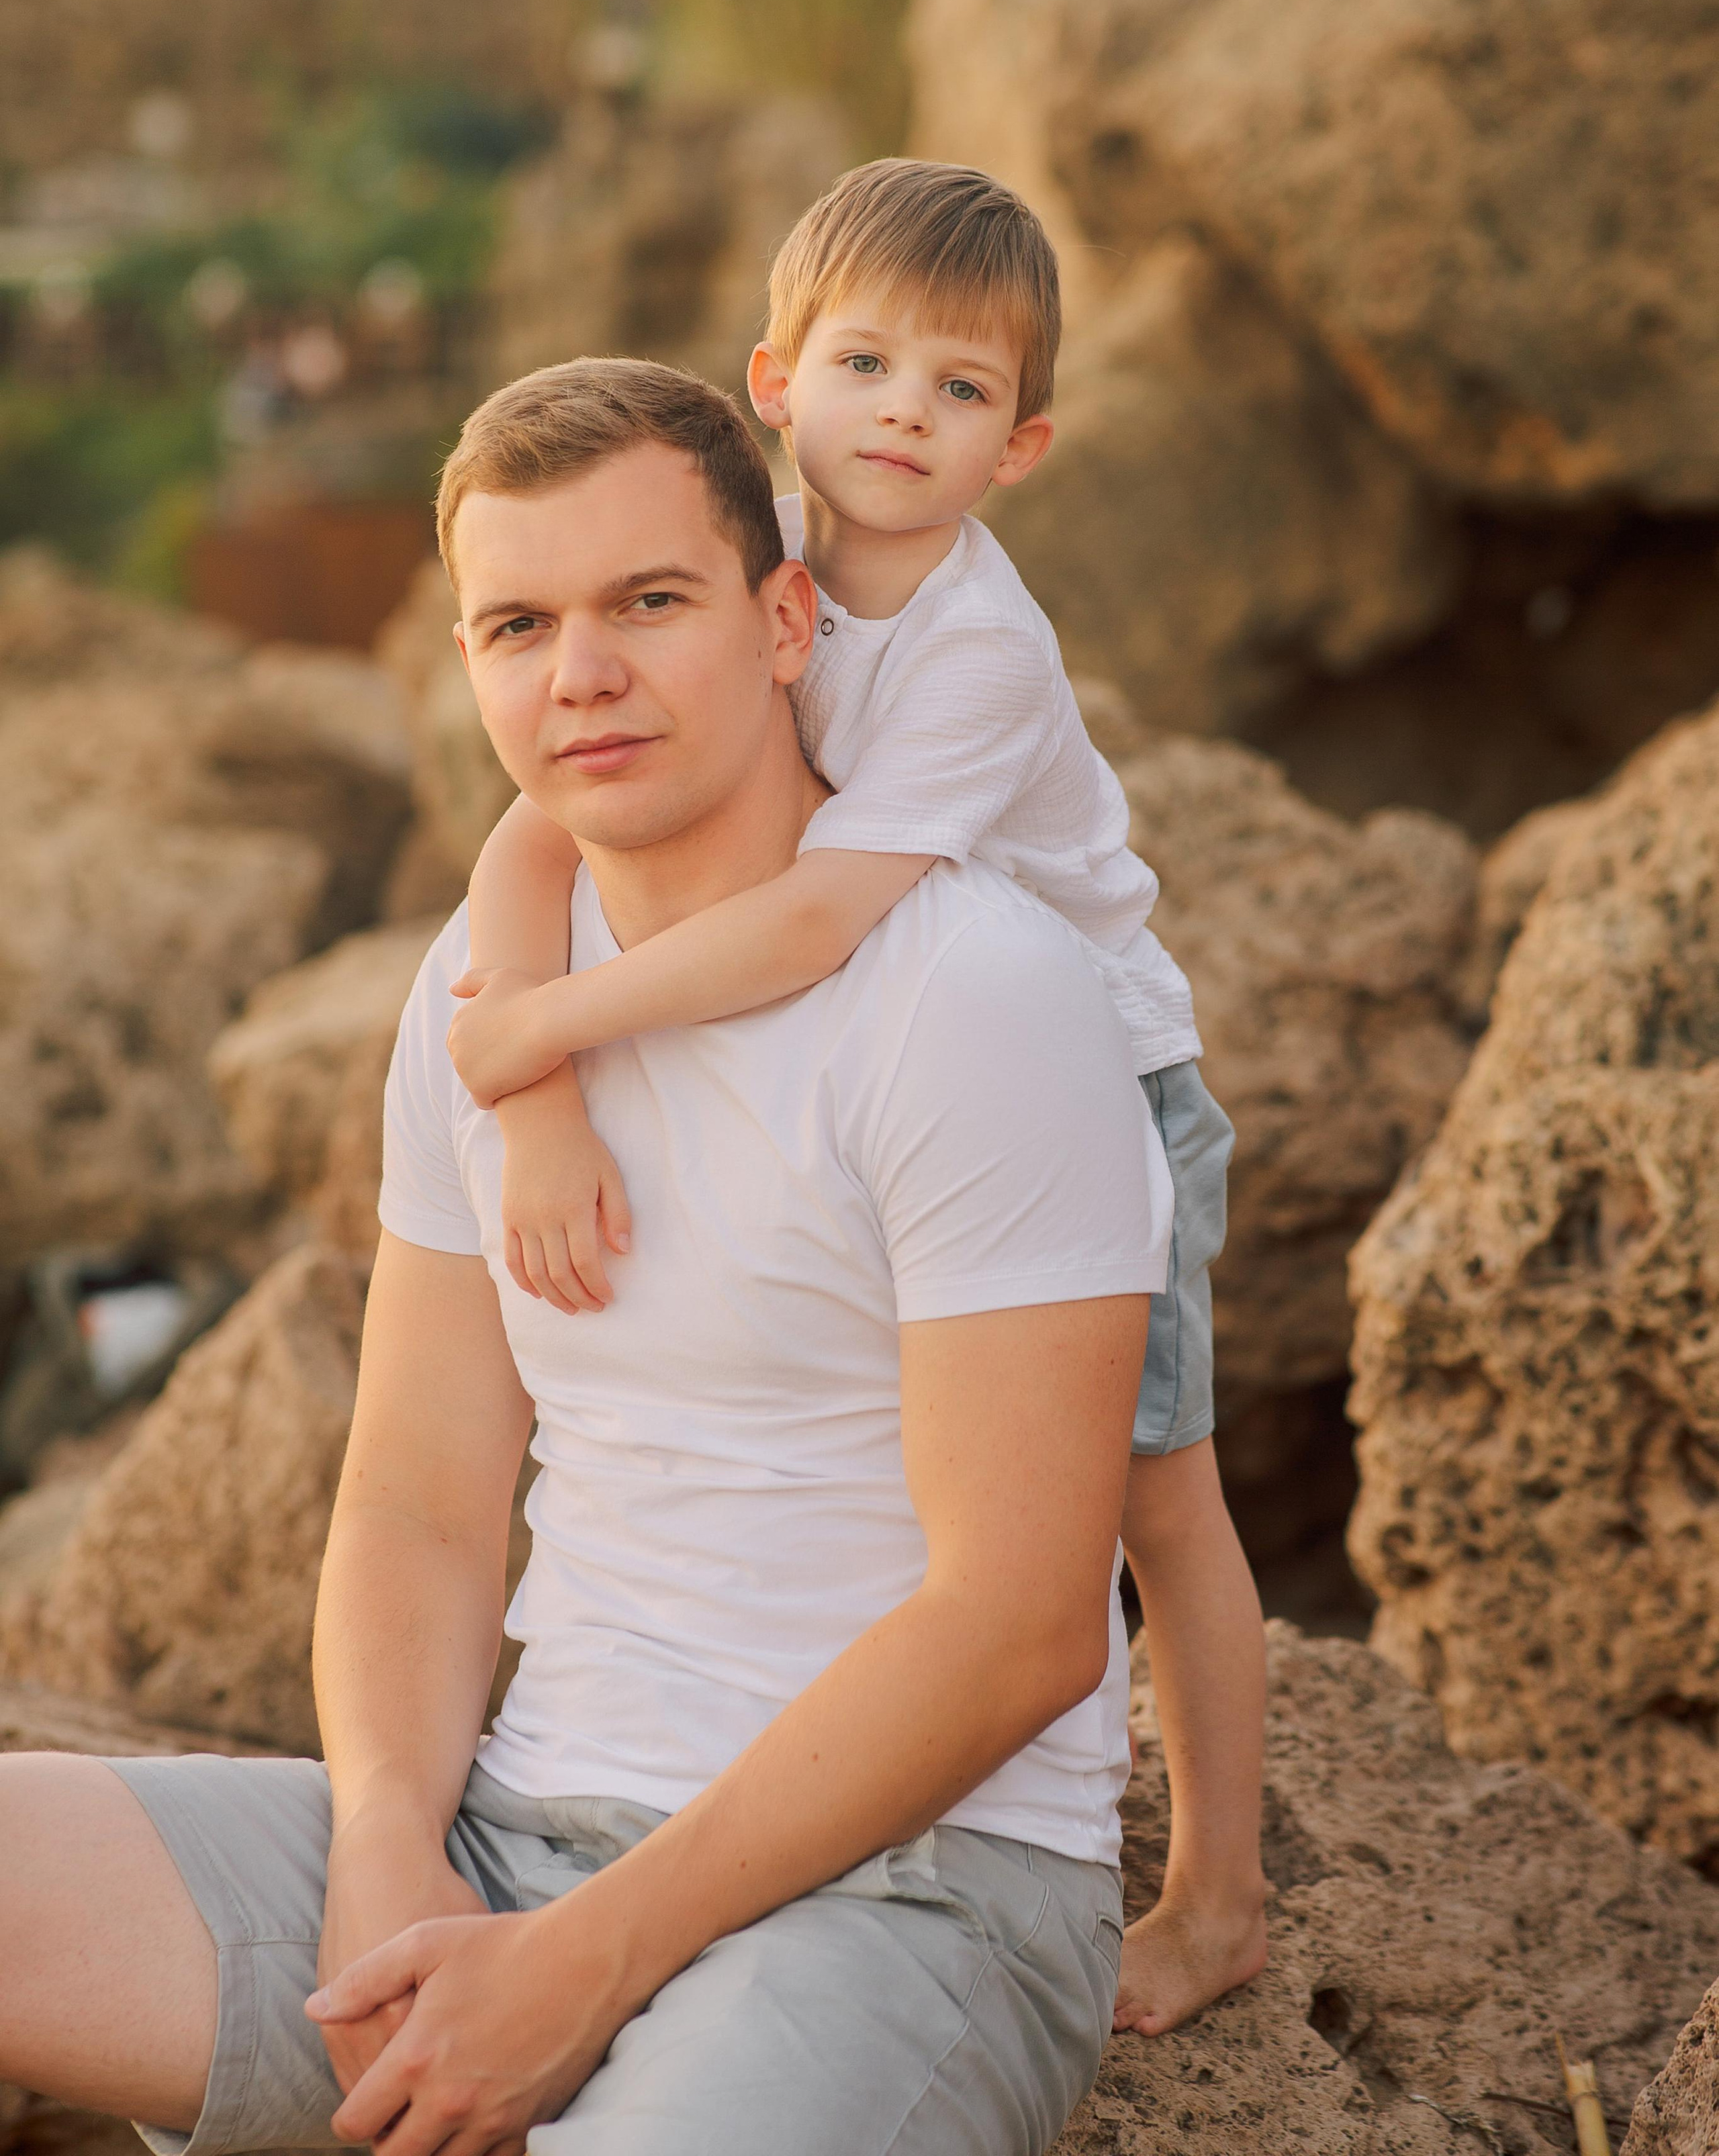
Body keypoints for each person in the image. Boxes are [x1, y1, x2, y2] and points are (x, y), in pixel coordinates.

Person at [0, 357, 1174, 2156]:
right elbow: (411, 1498)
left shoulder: (973, 996)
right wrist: (396, 1854)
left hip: (905, 1897)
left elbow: (1018, 1625)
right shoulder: (478, 1007)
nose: (583, 676)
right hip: (505, 1826)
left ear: (788, 619)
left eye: (648, 603)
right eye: (518, 626)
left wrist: (581, 1969)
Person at [450, 158, 1269, 2035]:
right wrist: (537, 1083)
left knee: (1158, 1498)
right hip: (877, 1075)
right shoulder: (761, 569)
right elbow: (532, 834)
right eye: (868, 363)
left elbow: (825, 918)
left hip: (1093, 1083)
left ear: (1025, 444)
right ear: (775, 381)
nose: (906, 411)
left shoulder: (975, 650)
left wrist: (546, 1026)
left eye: (962, 390)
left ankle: (1218, 1890)